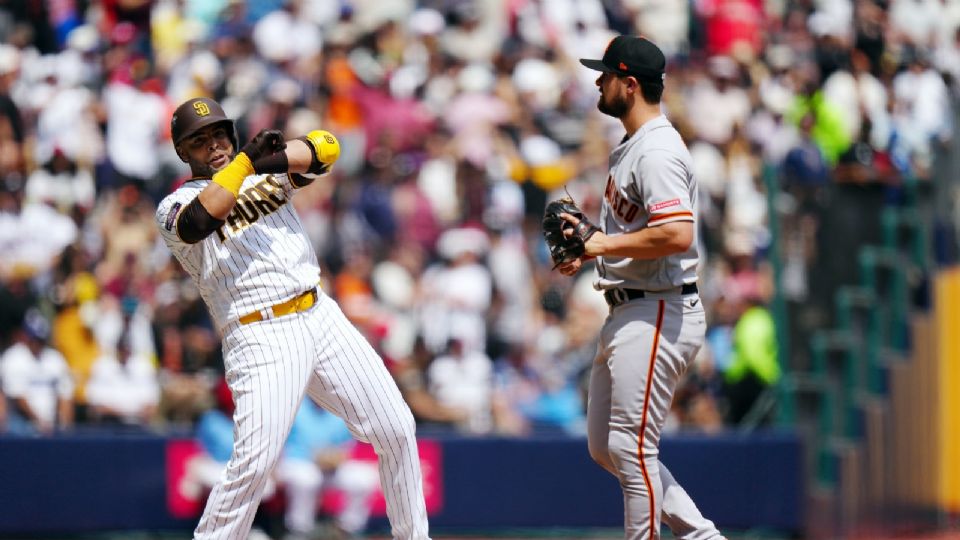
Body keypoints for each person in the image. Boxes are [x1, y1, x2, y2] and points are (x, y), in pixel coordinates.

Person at [154, 97, 430, 540]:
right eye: (199, 141)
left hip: (320, 313)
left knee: (397, 427)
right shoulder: (175, 203)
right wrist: (245, 161)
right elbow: (199, 222)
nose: (214, 145)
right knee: (256, 463)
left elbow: (327, 148)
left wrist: (272, 159)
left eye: (220, 133)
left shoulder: (263, 174)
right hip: (259, 331)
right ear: (184, 153)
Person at [559, 36, 725, 539]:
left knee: (631, 450)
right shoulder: (636, 145)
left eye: (606, 74)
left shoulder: (656, 151)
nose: (597, 81)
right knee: (606, 447)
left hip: (658, 310)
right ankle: (702, 536)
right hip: (632, 307)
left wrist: (601, 245)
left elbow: (678, 233)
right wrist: (590, 247)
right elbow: (640, 235)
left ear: (629, 86)